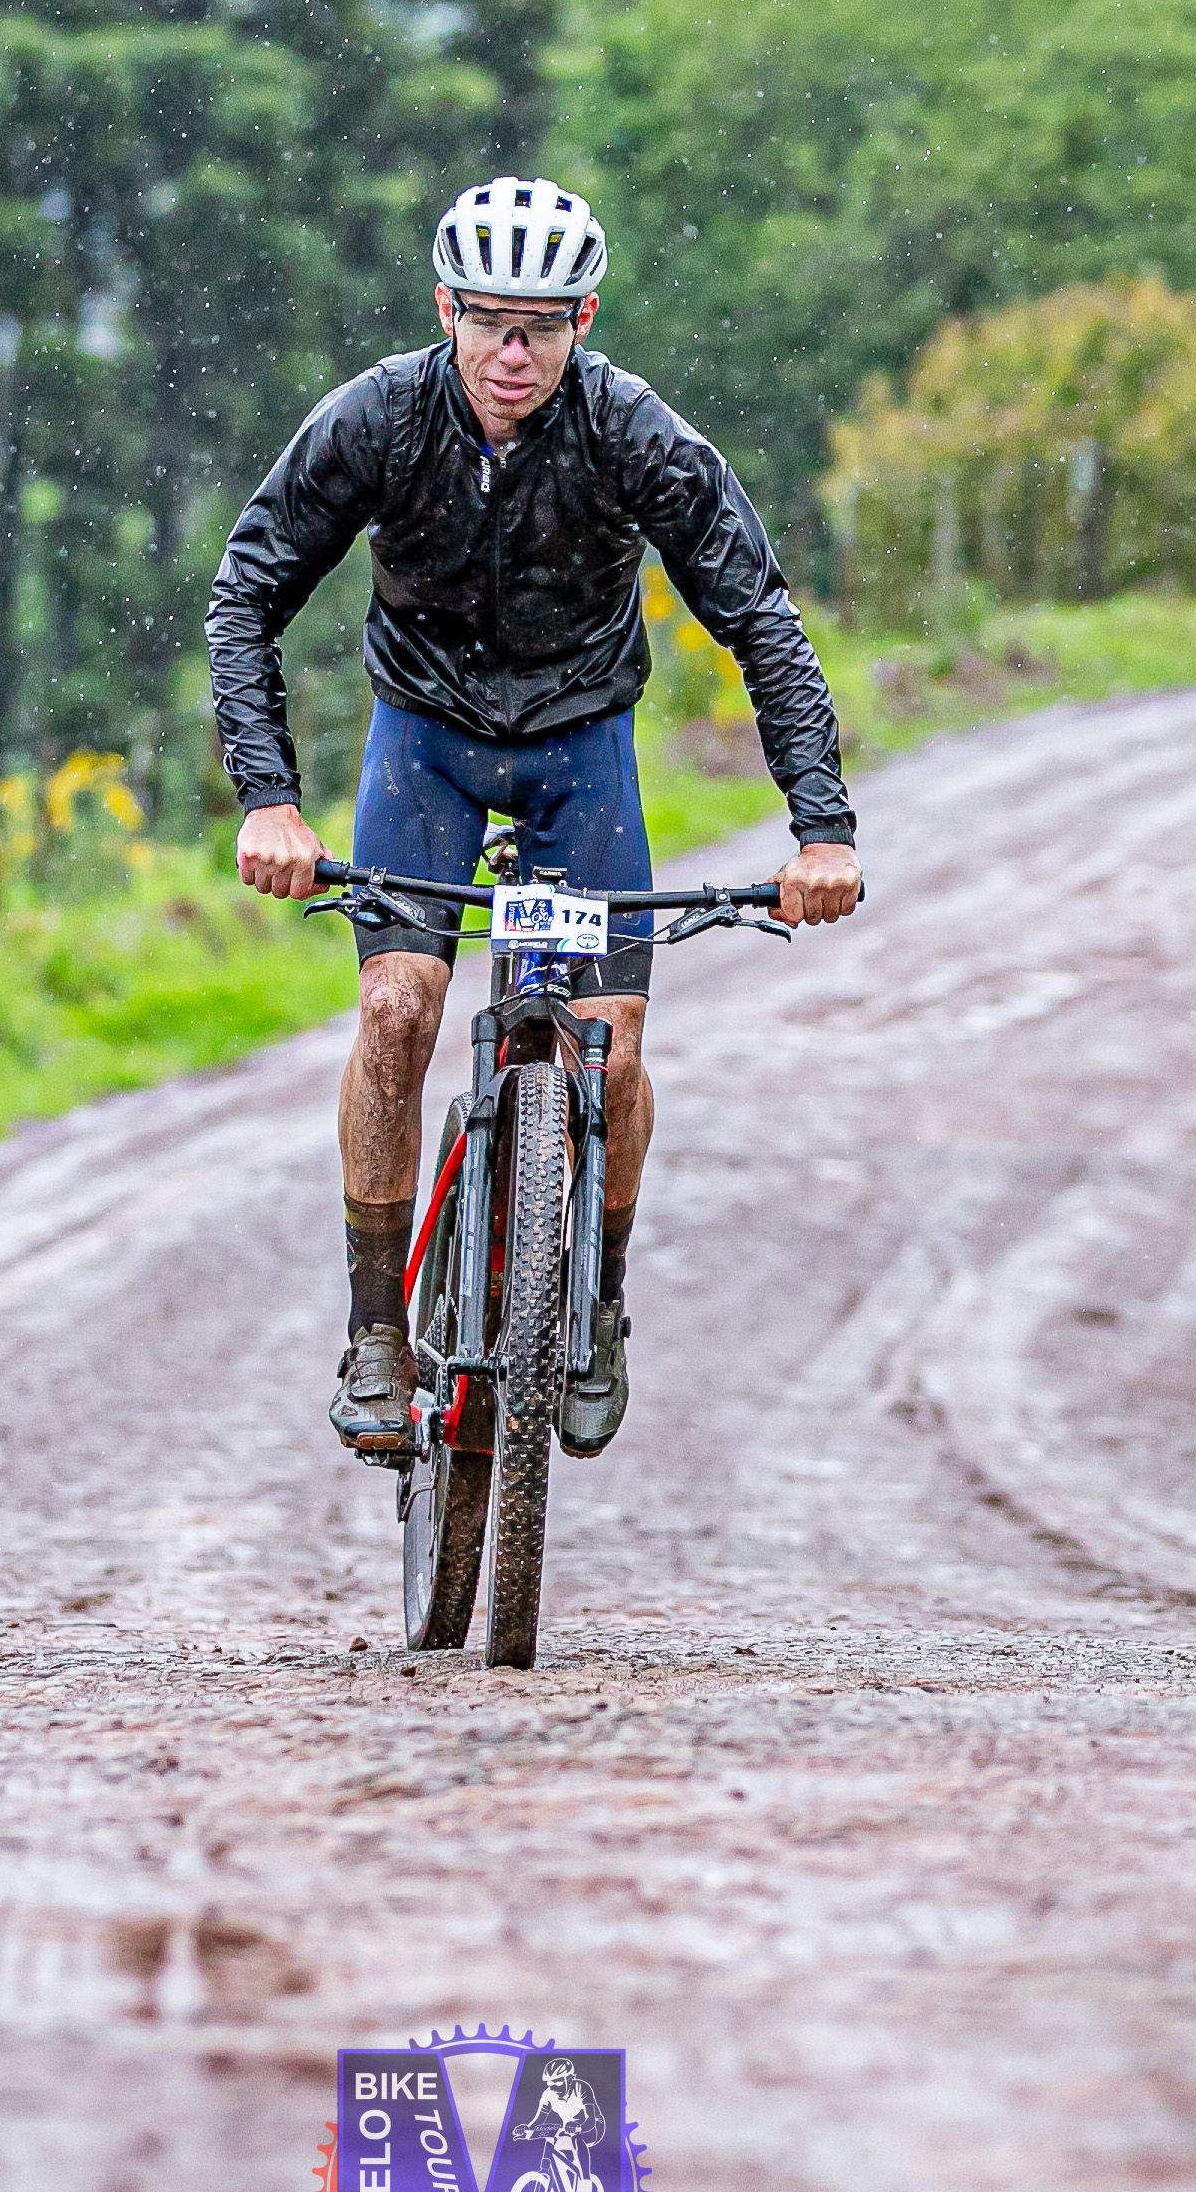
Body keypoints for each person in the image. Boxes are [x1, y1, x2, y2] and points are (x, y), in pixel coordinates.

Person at [206, 175, 863, 1462]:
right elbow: (247, 592)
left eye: (543, 329)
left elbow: (761, 620)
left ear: (584, 323)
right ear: (444, 310)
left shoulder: (632, 433)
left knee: (609, 1051)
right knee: (399, 1012)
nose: (513, 356)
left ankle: (597, 1299)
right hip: (425, 749)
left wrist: (822, 829)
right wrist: (270, 800)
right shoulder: (379, 419)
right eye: (491, 324)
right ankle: (377, 1330)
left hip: (579, 752)